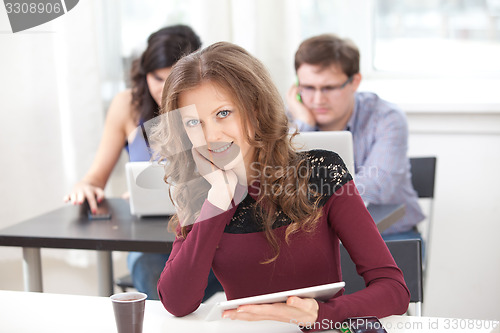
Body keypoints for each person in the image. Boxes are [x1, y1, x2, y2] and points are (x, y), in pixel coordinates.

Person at [152, 41, 410, 330]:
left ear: (256, 109)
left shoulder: (322, 172)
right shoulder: (203, 193)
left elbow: (394, 290)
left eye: (223, 113)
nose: (210, 135)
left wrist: (321, 314)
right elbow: (177, 302)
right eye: (192, 123)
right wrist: (220, 198)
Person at [63, 25, 223, 300]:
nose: (164, 89)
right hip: (150, 241)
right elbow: (94, 178)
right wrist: (85, 186)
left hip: (207, 230)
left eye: (174, 78)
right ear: (144, 73)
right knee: (156, 276)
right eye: (157, 78)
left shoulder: (210, 105)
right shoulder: (127, 105)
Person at [287, 34, 425, 240]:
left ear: (355, 82)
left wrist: (311, 196)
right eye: (308, 88)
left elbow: (374, 187)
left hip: (389, 236)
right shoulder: (293, 119)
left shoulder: (386, 118)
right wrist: (304, 126)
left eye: (329, 88)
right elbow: (283, 187)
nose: (317, 99)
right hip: (321, 239)